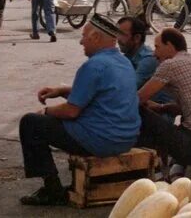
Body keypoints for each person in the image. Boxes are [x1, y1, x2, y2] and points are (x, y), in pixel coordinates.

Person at [18, 15, 140, 206]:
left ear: (96, 38)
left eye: (84, 36)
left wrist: (47, 112)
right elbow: (96, 94)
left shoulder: (94, 66)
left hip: (101, 140)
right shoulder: (125, 63)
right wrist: (61, 91)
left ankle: (52, 190)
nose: (81, 41)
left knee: (31, 123)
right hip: (126, 138)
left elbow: (71, 111)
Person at [137, 28, 191, 168]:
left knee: (140, 112)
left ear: (169, 45)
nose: (154, 53)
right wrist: (161, 107)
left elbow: (138, 99)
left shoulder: (170, 65)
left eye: (157, 47)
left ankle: (142, 166)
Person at [116, 17, 171, 105]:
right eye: (117, 33)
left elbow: (127, 89)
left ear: (137, 38)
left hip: (157, 114)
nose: (118, 39)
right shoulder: (129, 55)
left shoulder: (148, 60)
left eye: (122, 34)